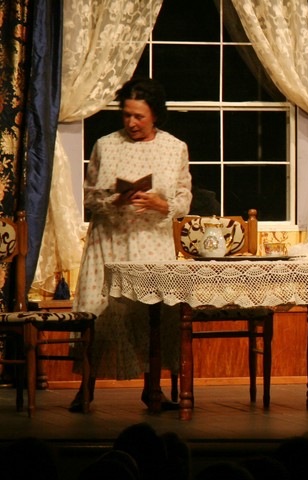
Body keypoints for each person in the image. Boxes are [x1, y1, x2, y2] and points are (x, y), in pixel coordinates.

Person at [70, 77, 192, 411]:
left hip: (151, 241)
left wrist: (162, 204)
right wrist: (115, 200)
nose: (131, 122)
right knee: (99, 312)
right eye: (126, 115)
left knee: (151, 314)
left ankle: (153, 390)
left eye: (139, 116)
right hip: (109, 239)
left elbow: (183, 197)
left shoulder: (174, 147)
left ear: (155, 115)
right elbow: (90, 197)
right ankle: (85, 388)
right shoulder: (105, 145)